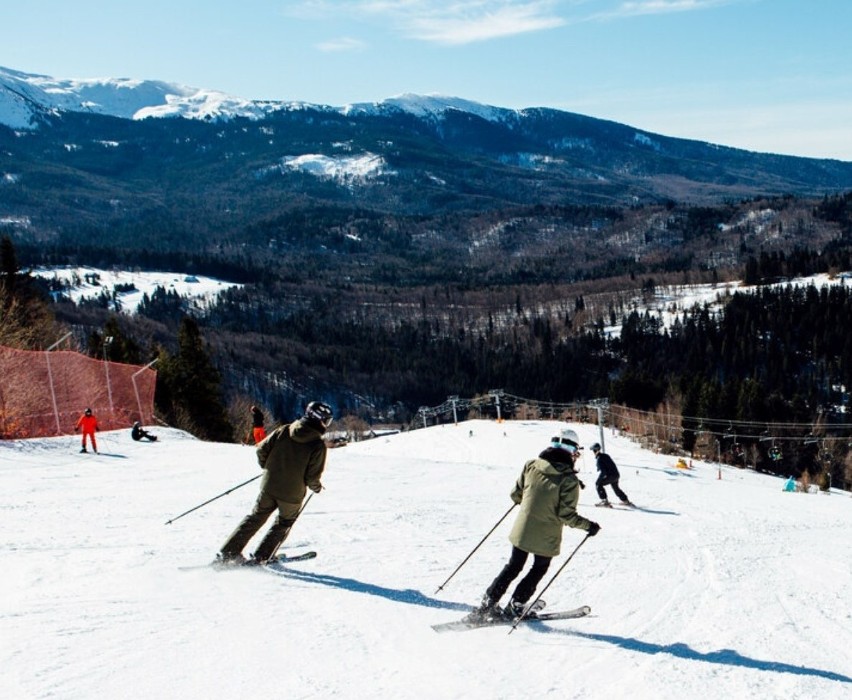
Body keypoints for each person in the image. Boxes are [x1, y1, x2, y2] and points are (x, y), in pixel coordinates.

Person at [477, 428, 600, 620]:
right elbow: (566, 515)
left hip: (522, 530)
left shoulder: (531, 465)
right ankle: (516, 604)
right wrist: (589, 526)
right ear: (572, 451)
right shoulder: (568, 479)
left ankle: (488, 603)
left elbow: (515, 495)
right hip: (546, 536)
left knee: (513, 566)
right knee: (539, 568)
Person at [217, 401, 333, 566]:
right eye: (326, 420)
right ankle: (262, 556)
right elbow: (312, 477)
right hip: (291, 494)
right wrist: (317, 487)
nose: (326, 424)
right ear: (318, 419)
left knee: (255, 518)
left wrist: (268, 467)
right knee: (284, 522)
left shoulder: (285, 430)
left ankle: (228, 553)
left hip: (269, 486)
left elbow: (260, 449)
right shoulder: (317, 445)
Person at [591, 443, 632, 507]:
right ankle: (625, 500)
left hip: (611, 476)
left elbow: (603, 472)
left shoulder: (599, 459)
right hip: (616, 475)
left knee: (598, 484)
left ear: (595, 451)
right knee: (616, 488)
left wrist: (599, 480)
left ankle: (604, 501)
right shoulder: (606, 455)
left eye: (593, 451)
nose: (593, 452)